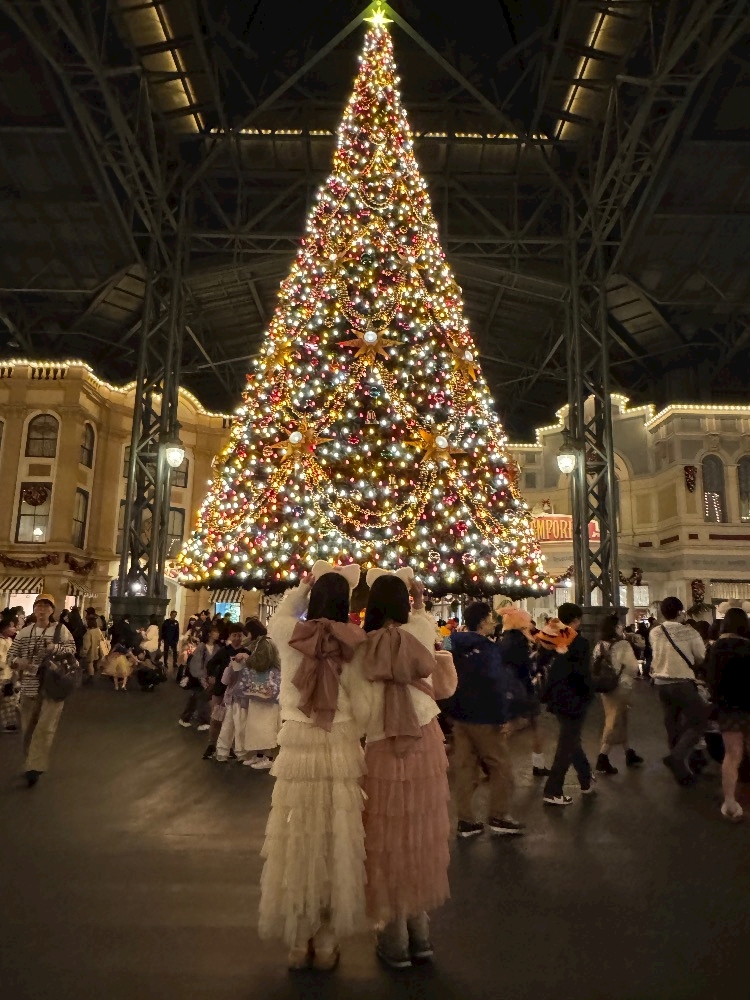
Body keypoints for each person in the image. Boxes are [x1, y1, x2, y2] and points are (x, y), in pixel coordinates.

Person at [259, 562, 366, 971]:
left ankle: (298, 941)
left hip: (298, 742)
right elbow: (362, 700)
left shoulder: (290, 633)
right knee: (334, 838)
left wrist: (301, 588)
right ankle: (326, 941)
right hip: (339, 741)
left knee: (298, 834)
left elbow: (279, 616)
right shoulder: (356, 642)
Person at [356, 569, 456, 969]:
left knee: (387, 837)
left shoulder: (361, 647)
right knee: (419, 833)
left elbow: (360, 707)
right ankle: (421, 932)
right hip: (425, 737)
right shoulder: (422, 631)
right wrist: (416, 597)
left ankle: (394, 935)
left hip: (383, 741)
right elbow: (422, 618)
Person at [447, 601, 526, 837]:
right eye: (490, 618)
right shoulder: (489, 649)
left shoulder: (452, 642)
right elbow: (495, 683)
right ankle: (499, 816)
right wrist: (503, 716)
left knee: (465, 768)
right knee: (500, 767)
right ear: (482, 623)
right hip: (484, 716)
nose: (493, 622)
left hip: (459, 715)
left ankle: (465, 821)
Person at [8, 594, 76, 787]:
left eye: (46, 606)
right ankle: (30, 762)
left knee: (45, 728)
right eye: (39, 606)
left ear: (52, 610)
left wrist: (55, 648)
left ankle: (34, 767)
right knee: (28, 729)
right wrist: (17, 662)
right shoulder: (24, 632)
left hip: (53, 686)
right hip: (29, 686)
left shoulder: (60, 630)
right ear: (34, 608)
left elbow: (72, 649)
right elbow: (11, 655)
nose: (42, 610)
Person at [537, 604, 595, 806]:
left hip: (556, 696)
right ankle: (553, 789)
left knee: (571, 739)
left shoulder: (550, 636)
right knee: (567, 743)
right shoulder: (579, 641)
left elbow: (540, 662)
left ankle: (586, 777)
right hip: (574, 697)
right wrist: (590, 693)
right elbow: (583, 673)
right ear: (576, 620)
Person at [651, 596, 708, 785]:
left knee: (672, 723)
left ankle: (681, 771)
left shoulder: (655, 632)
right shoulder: (690, 632)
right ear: (680, 612)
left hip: (661, 683)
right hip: (682, 682)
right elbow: (700, 656)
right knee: (700, 720)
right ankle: (677, 757)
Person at [705, 608, 750, 821]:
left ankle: (730, 802)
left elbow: (711, 682)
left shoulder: (716, 649)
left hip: (728, 709)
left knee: (732, 755)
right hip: (748, 706)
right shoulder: (748, 647)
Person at [496, 606, 549, 777]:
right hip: (522, 688)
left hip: (510, 688)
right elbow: (524, 667)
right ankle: (495, 762)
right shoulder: (519, 641)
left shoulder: (504, 640)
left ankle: (495, 762)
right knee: (522, 725)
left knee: (517, 726)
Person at [592, 615, 643, 775]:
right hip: (621, 686)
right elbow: (633, 667)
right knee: (614, 721)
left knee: (620, 718)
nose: (622, 628)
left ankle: (629, 752)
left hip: (606, 687)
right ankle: (602, 757)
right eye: (620, 625)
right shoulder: (623, 644)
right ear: (614, 628)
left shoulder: (599, 645)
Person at [201, 624, 247, 760]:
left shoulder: (246, 652)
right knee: (216, 718)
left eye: (239, 635)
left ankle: (229, 747)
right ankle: (212, 745)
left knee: (234, 721)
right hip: (221, 689)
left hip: (238, 692)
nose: (237, 638)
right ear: (230, 636)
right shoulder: (224, 651)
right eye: (234, 635)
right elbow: (211, 664)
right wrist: (211, 676)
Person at [241, 619, 282, 770]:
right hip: (260, 692)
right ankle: (259, 755)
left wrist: (247, 658)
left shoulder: (265, 643)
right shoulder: (260, 642)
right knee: (256, 724)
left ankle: (269, 757)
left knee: (266, 725)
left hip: (266, 692)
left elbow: (262, 664)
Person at [178, 624, 222, 729]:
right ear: (209, 634)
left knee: (195, 698)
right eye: (215, 631)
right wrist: (202, 677)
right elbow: (196, 664)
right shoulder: (202, 647)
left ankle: (185, 718)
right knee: (202, 698)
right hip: (199, 678)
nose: (217, 634)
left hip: (209, 678)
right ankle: (204, 721)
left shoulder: (217, 648)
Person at [1, 611, 19, 733]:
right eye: (11, 626)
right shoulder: (1, 641)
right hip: (3, 675)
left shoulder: (9, 640)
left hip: (9, 674)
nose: (14, 629)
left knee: (8, 700)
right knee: (6, 699)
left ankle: (9, 723)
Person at [160, 610, 180, 675]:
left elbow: (177, 632)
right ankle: (165, 662)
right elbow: (163, 630)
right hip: (167, 638)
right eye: (173, 615)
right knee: (166, 651)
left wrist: (177, 639)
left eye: (175, 615)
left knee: (175, 652)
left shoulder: (176, 622)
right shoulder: (166, 622)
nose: (174, 616)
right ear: (170, 614)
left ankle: (175, 662)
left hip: (173, 639)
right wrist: (162, 637)